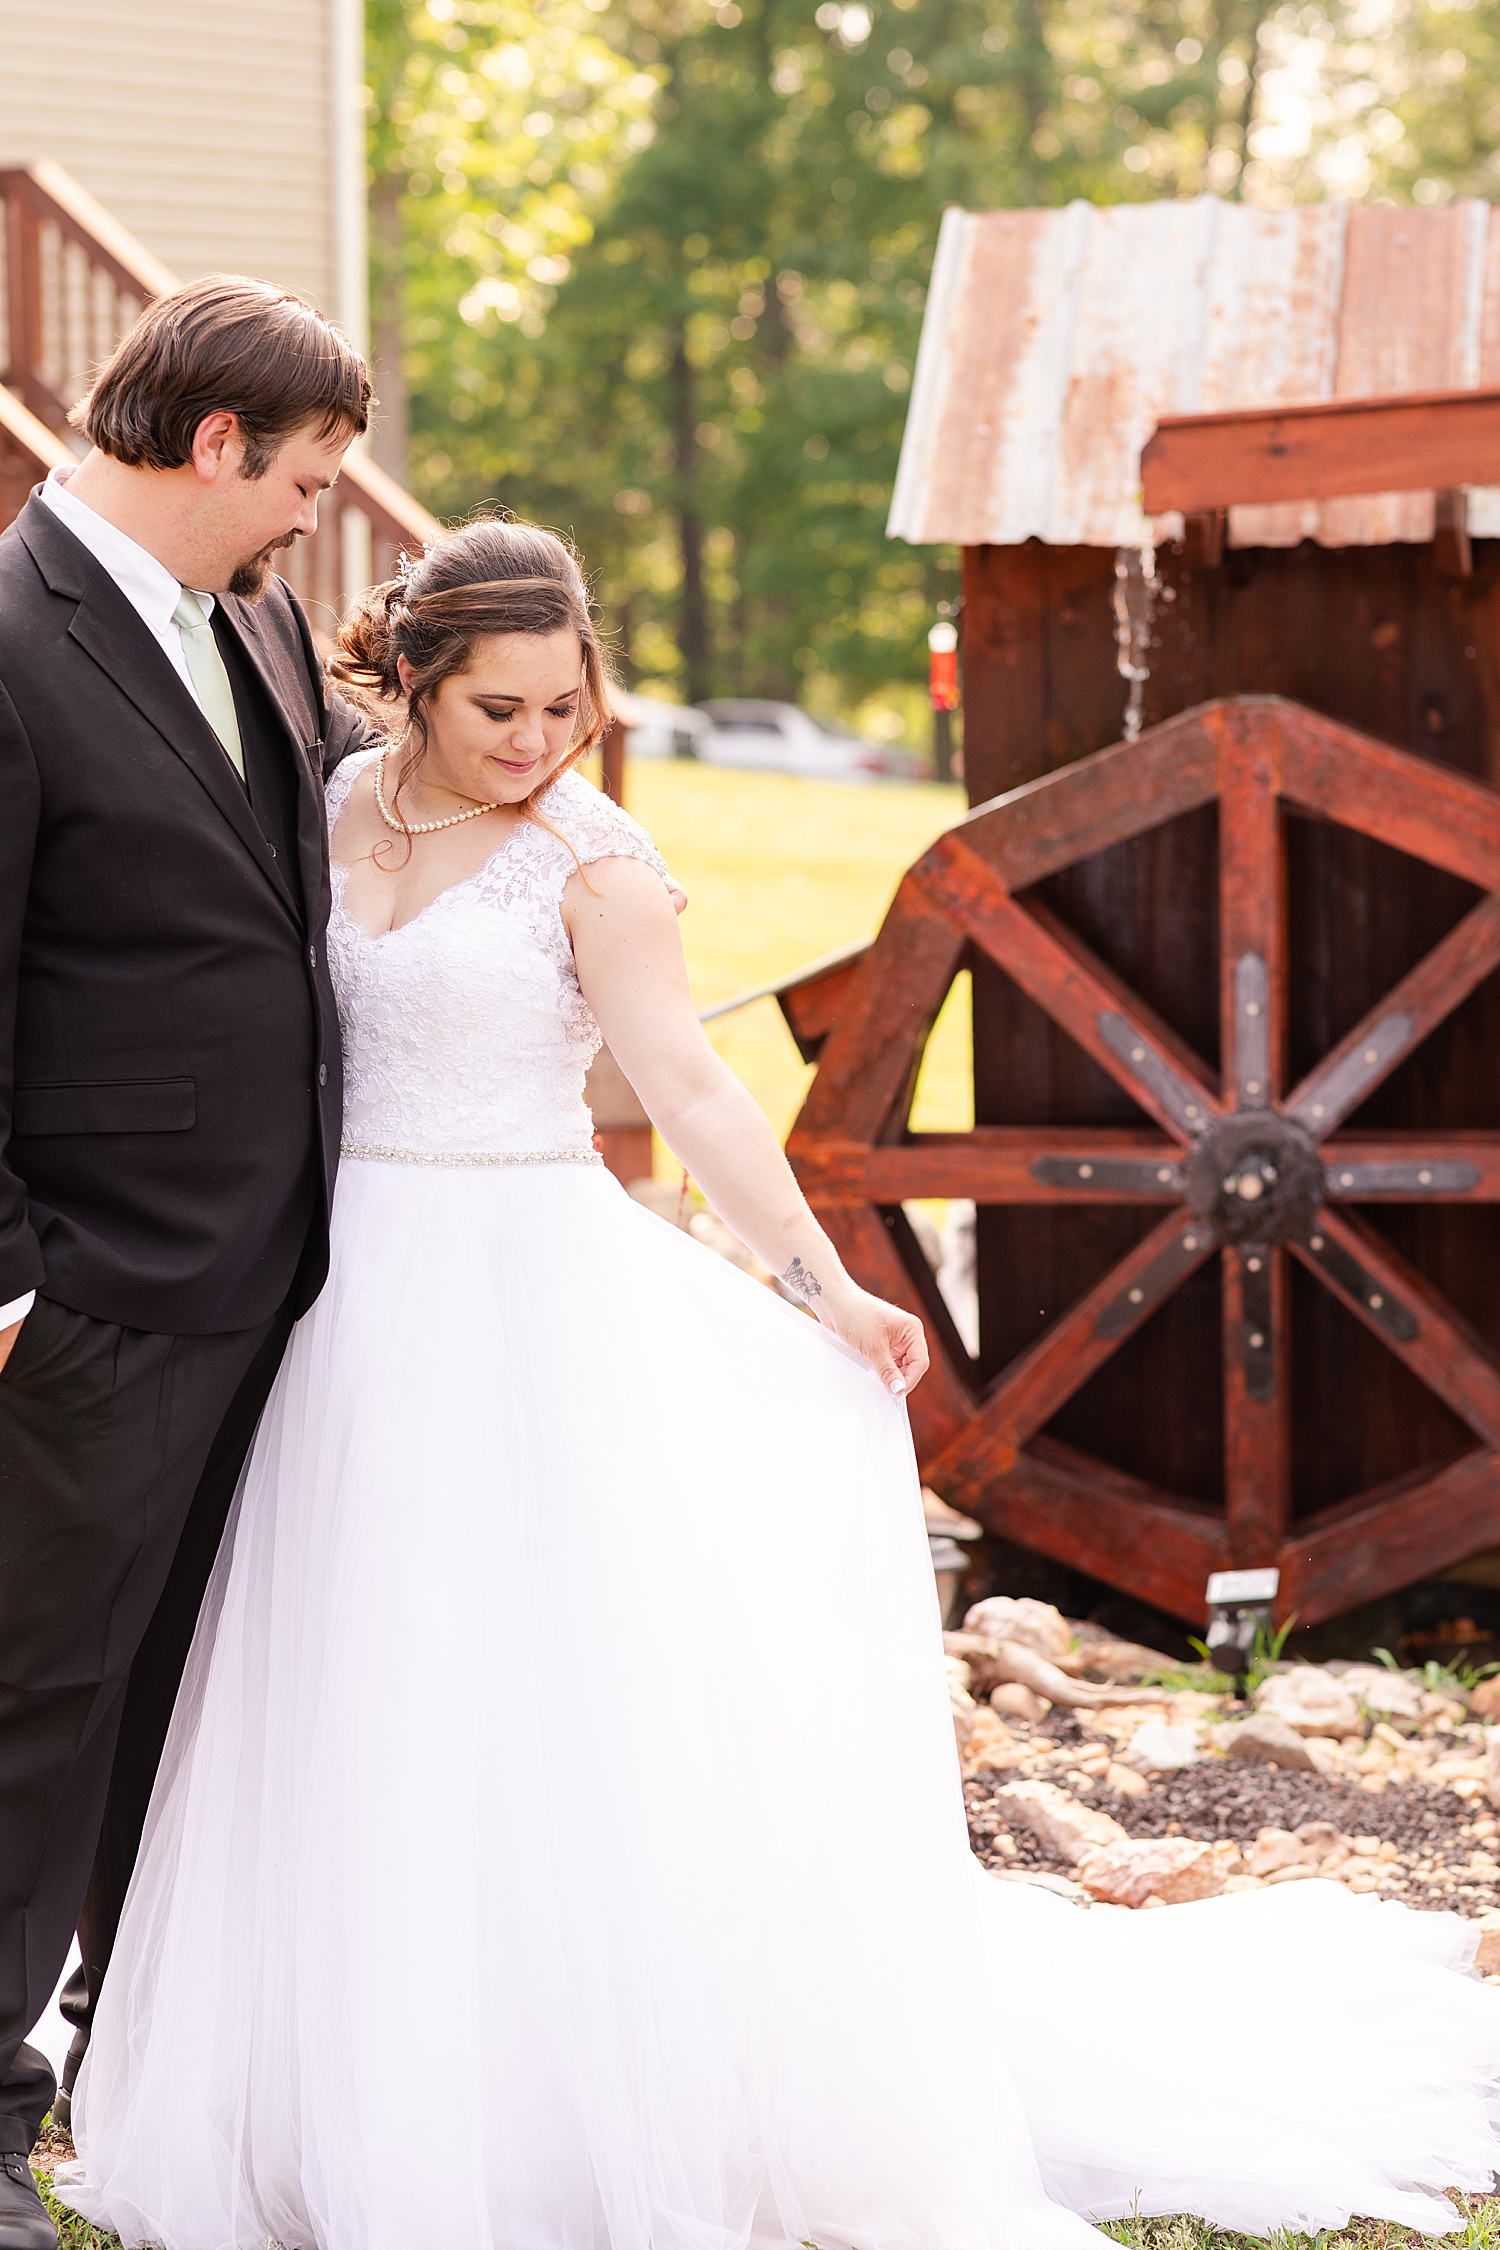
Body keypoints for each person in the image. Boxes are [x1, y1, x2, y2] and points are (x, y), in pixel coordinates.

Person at [58, 520, 1500, 2250]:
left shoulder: (591, 862)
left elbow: (693, 1086)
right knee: (347, 1681)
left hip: (517, 1295)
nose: (537, 745)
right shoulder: (332, 804)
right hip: (332, 1291)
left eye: (568, 709)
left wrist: (826, 1283)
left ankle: (570, 2099)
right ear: (415, 686)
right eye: (501, 711)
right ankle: (342, 2082)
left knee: (529, 1695)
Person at [0, 274, 376, 2250]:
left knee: (189, 1693)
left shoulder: (264, 619)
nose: (324, 506)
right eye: (309, 472)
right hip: (94, 1288)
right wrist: (14, 1286)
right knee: (32, 1697)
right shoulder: (9, 637)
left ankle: (131, 2067)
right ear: (219, 445)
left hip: (278, 1267)